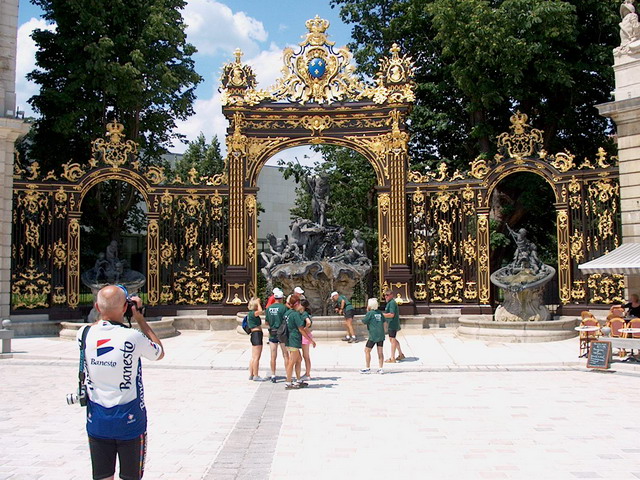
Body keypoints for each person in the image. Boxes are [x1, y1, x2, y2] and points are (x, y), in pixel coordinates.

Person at [76, 284, 164, 480]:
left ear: (96, 307)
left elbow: (98, 324)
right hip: (130, 419)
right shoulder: (133, 336)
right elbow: (158, 352)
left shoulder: (83, 334)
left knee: (102, 475)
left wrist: (106, 310)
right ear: (126, 308)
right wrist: (139, 318)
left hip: (97, 418)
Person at [284, 294, 316, 390]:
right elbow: (301, 329)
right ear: (297, 303)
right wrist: (310, 340)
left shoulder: (288, 313)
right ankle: (288, 382)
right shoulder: (295, 314)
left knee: (298, 360)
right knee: (292, 361)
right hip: (294, 339)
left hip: (289, 338)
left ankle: (298, 380)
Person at [264, 288, 289, 382]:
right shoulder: (284, 308)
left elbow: (266, 322)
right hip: (282, 333)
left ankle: (273, 374)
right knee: (285, 354)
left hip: (272, 333)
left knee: (273, 355)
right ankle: (288, 374)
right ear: (282, 298)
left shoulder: (269, 308)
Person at [360, 298, 386, 374]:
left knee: (367, 350)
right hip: (381, 334)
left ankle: (367, 367)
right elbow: (384, 322)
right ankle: (380, 368)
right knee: (380, 352)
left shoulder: (370, 313)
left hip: (373, 335)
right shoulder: (379, 312)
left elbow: (364, 321)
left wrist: (367, 311)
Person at [383, 289, 405, 363]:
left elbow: (392, 314)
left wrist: (382, 315)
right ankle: (400, 354)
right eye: (385, 295)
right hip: (391, 324)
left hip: (393, 324)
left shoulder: (392, 303)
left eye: (387, 295)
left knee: (392, 340)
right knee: (393, 339)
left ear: (391, 295)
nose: (386, 296)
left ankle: (392, 357)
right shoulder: (389, 303)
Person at [247, 297, 265, 381]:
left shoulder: (250, 314)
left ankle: (251, 374)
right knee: (257, 357)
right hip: (257, 334)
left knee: (253, 356)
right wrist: (258, 303)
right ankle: (256, 375)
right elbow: (261, 311)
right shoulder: (253, 313)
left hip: (254, 334)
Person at [300, 299, 314, 381]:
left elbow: (308, 322)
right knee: (305, 355)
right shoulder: (306, 313)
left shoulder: (304, 313)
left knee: (305, 356)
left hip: (305, 335)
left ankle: (307, 374)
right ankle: (307, 373)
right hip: (306, 335)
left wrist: (305, 328)